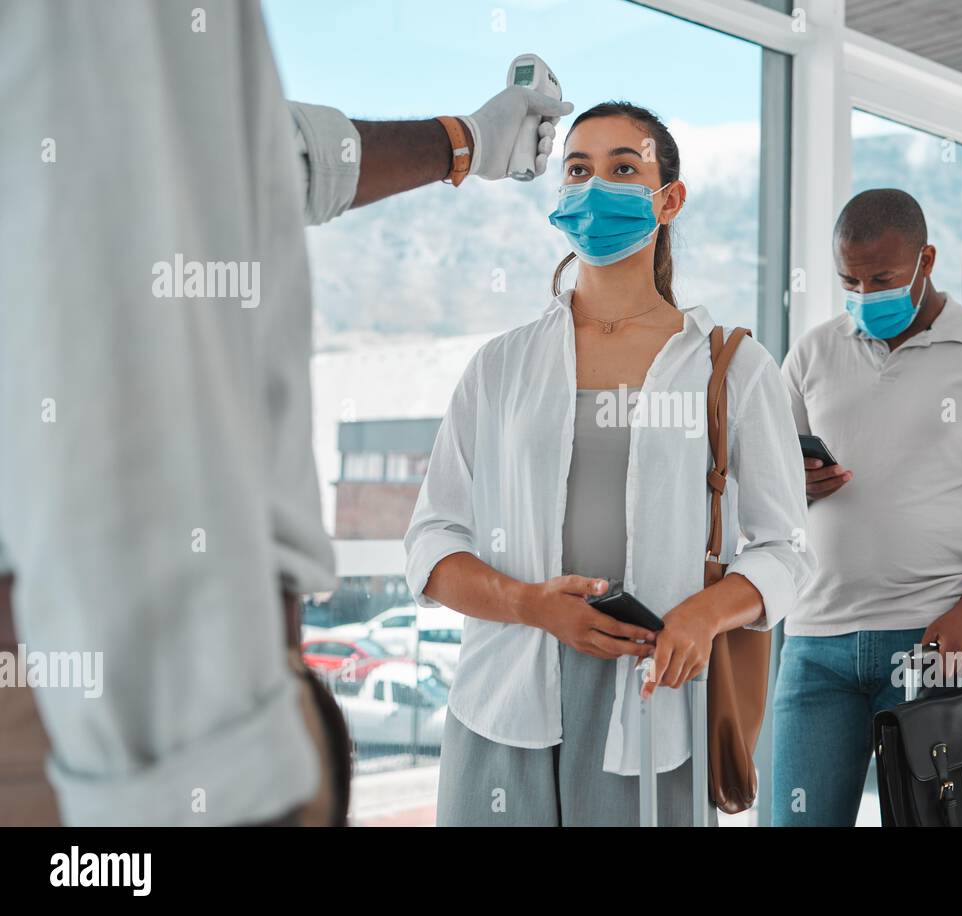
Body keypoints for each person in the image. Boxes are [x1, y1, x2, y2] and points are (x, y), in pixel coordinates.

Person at [0, 0, 570, 826]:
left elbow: (254, 161)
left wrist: (467, 141)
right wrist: (205, 768)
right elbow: (115, 262)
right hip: (115, 722)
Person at [405, 101, 812, 827]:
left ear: (669, 198)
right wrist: (531, 605)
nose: (596, 188)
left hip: (653, 701)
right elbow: (432, 542)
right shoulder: (501, 366)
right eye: (578, 170)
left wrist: (707, 614)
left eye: (625, 168)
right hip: (504, 694)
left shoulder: (733, 367)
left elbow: (785, 549)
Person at [773, 188, 962, 827]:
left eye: (883, 278)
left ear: (926, 259)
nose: (867, 294)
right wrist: (797, 481)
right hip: (815, 642)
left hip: (936, 640)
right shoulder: (813, 354)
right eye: (851, 280)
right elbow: (768, 486)